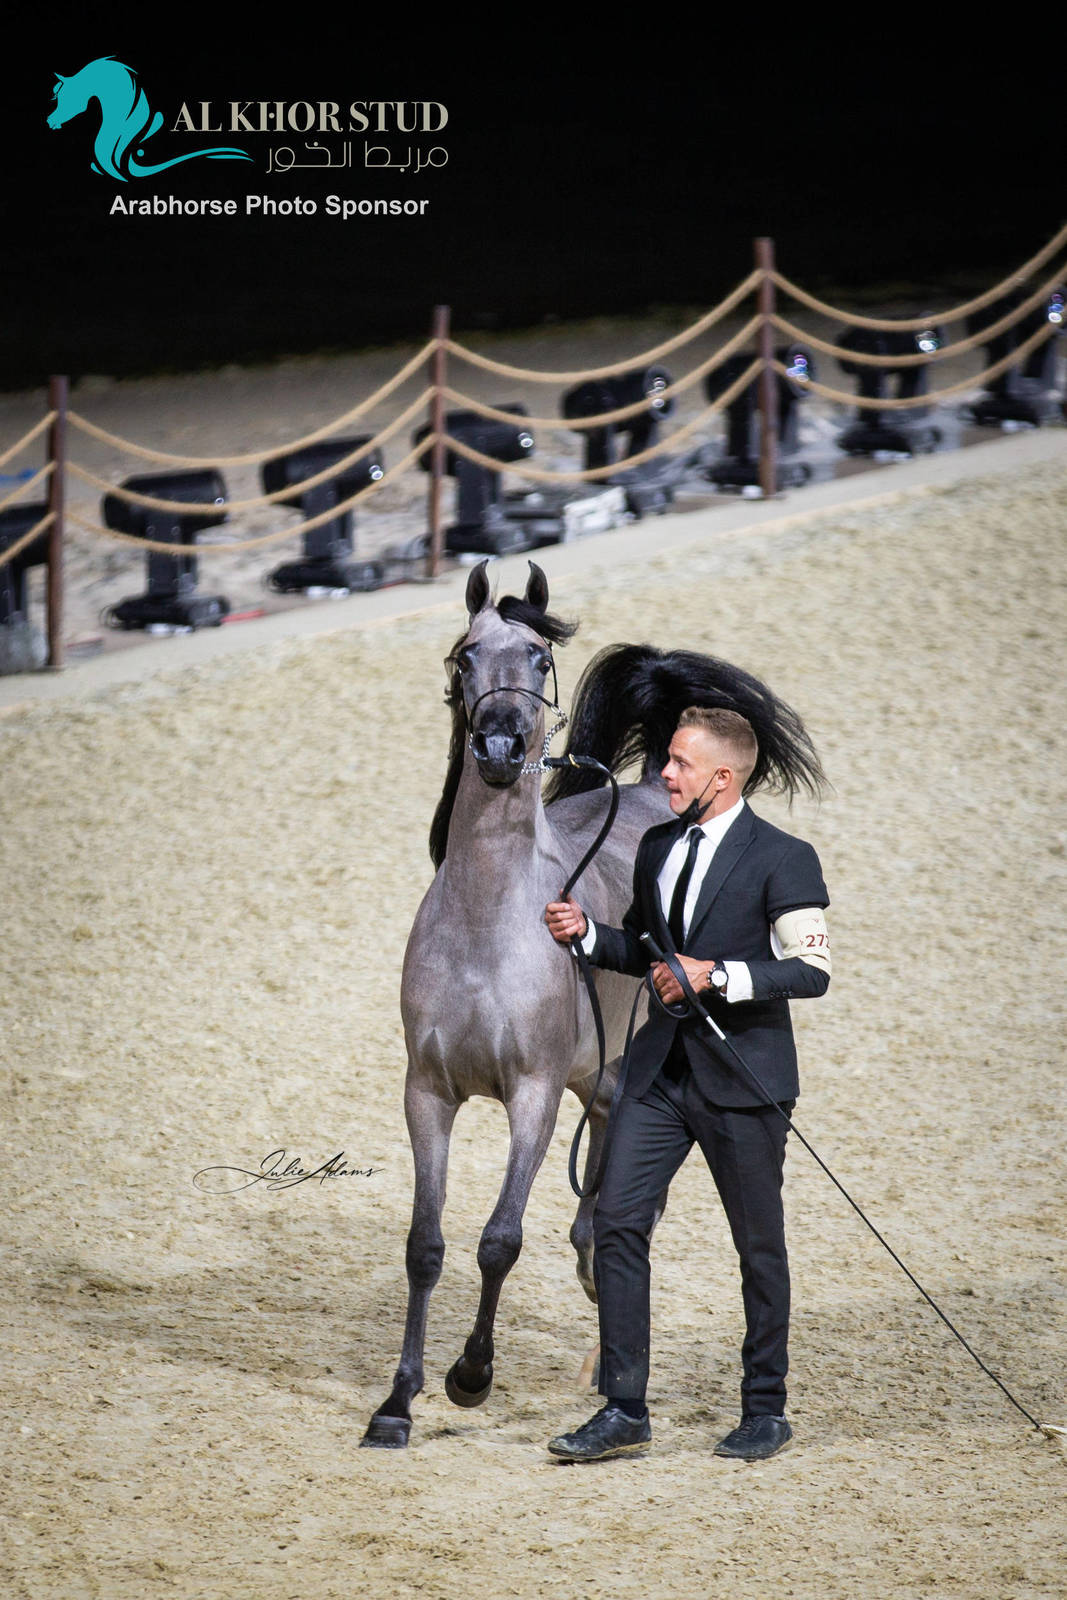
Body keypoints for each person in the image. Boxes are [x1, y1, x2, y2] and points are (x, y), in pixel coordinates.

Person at [543, 706, 830, 1462]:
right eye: (666, 760)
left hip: (743, 1078)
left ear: (722, 777)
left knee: (757, 1246)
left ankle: (764, 1409)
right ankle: (623, 1407)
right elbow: (644, 948)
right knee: (616, 1225)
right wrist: (587, 935)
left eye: (677, 763)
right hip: (656, 1075)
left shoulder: (784, 857)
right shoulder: (659, 845)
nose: (663, 775)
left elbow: (811, 971)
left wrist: (719, 975)